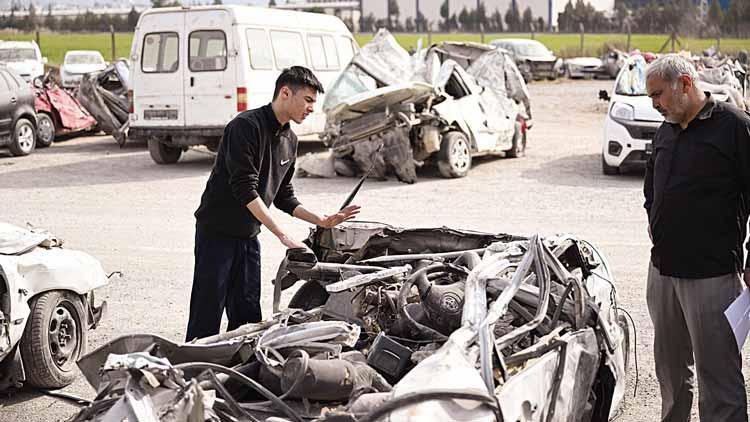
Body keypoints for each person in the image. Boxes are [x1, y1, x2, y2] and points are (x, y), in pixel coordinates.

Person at [186, 66, 360, 341]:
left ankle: (236, 377)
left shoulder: (290, 140)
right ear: (285, 92)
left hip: (248, 238)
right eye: (308, 100)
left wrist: (321, 220)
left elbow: (283, 196)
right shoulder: (245, 127)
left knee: (248, 318)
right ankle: (189, 372)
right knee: (206, 314)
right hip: (216, 235)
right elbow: (245, 188)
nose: (311, 108)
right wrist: (281, 234)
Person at [644, 54, 750, 422]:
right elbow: (651, 190)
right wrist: (655, 228)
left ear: (685, 84)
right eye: (650, 98)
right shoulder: (666, 128)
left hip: (712, 276)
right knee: (671, 374)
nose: (655, 104)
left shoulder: (734, 127)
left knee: (718, 378)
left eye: (658, 95)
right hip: (662, 272)